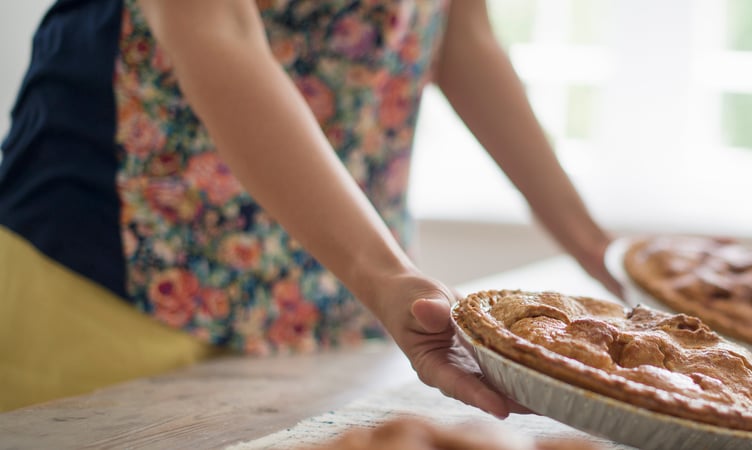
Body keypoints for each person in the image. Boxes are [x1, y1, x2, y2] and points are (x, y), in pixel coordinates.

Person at [0, 0, 621, 413]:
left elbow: (461, 36)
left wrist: (602, 251)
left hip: (332, 282)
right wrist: (385, 276)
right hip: (112, 262)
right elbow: (216, 30)